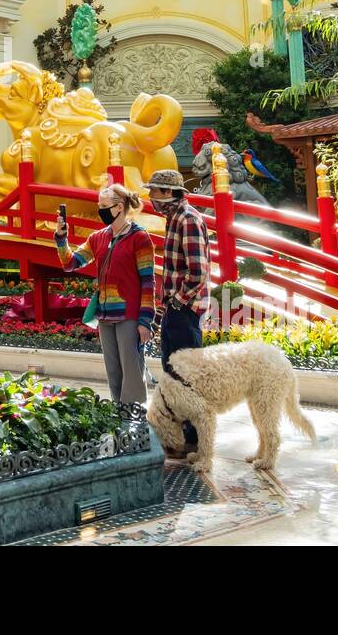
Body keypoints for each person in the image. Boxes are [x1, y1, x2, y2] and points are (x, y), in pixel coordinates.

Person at [54, 184, 156, 407]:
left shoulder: (140, 238)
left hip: (129, 314)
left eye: (104, 206)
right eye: (99, 205)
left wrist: (145, 320)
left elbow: (148, 282)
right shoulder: (98, 237)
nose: (100, 210)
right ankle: (118, 412)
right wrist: (61, 238)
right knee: (113, 370)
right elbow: (70, 263)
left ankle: (134, 414)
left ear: (119, 207)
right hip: (104, 313)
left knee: (131, 368)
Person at [145, 167, 209, 458]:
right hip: (175, 307)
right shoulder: (174, 219)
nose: (151, 197)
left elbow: (198, 272)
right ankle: (179, 438)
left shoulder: (188, 219)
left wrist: (178, 301)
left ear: (169, 193)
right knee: (172, 374)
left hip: (185, 310)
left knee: (187, 377)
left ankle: (194, 439)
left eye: (154, 191)